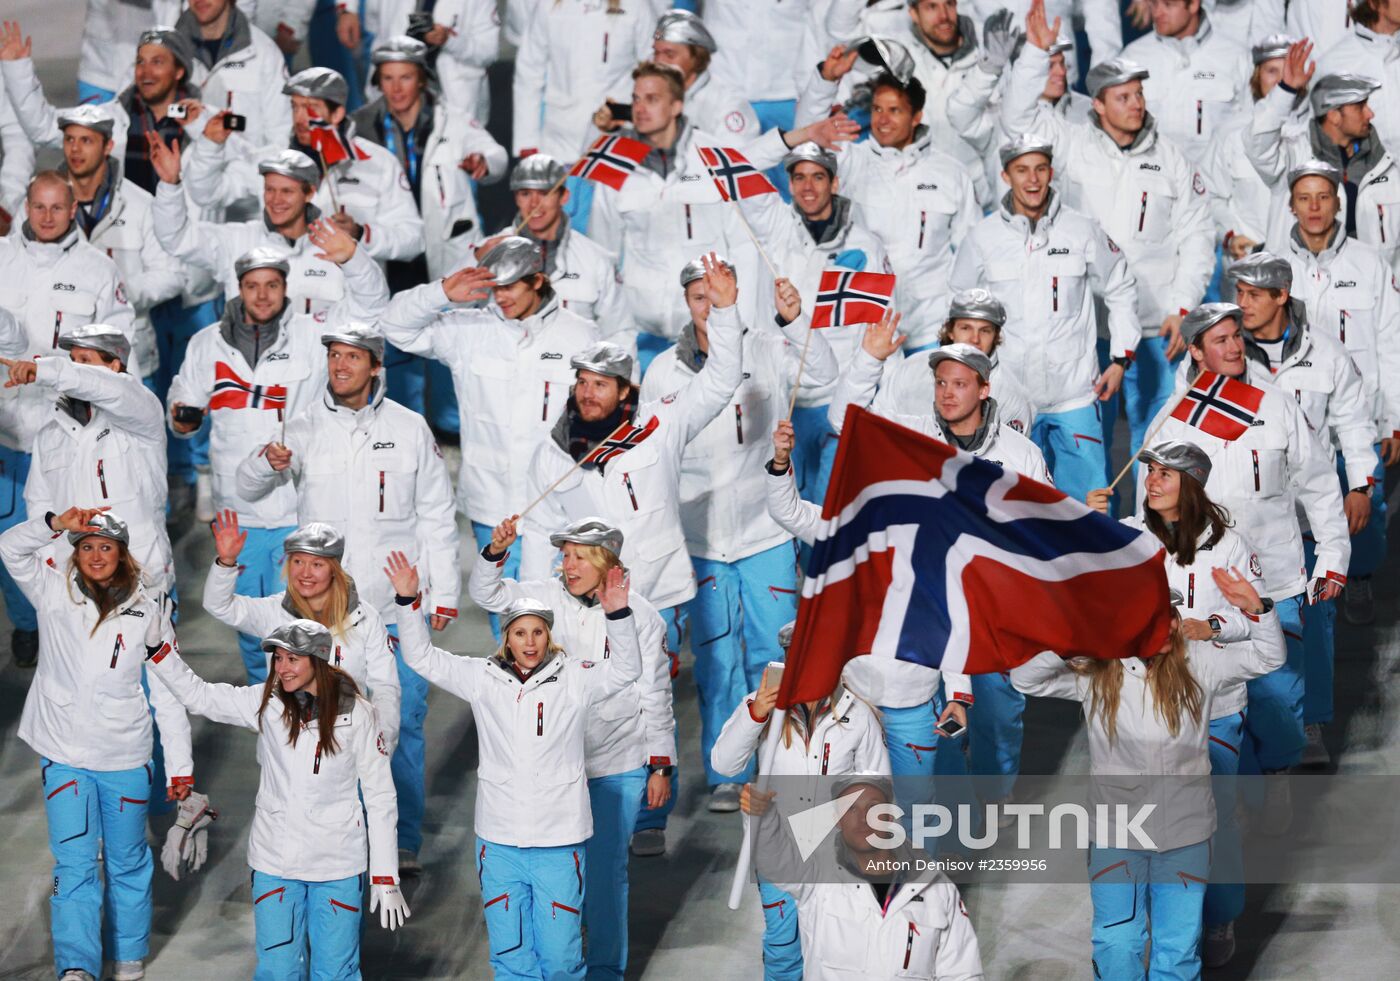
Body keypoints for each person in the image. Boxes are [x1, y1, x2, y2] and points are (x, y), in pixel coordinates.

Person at [521, 254, 746, 855]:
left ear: (626, 390)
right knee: (591, 700)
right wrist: (528, 606)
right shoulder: (553, 450)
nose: (587, 394)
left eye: (600, 384)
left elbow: (722, 380)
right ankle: (590, 805)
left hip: (655, 593)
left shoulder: (663, 422)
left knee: (652, 697)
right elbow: (540, 526)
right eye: (581, 383)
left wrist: (722, 310)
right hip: (583, 603)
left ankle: (649, 818)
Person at [234, 323, 459, 873]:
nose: (339, 365)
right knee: (313, 724)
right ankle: (330, 839)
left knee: (397, 723)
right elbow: (245, 489)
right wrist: (268, 462)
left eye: (352, 357)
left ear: (375, 366)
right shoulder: (300, 425)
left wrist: (444, 590)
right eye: (334, 356)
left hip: (389, 608)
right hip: (319, 616)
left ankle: (400, 840)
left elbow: (436, 514)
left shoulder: (410, 429)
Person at [1011, 577, 1285, 980]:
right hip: (1116, 836)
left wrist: (1258, 611)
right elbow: (1026, 678)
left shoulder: (1201, 663)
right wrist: (1074, 637)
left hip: (1187, 835)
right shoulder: (1099, 673)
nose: (1171, 625)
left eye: (1170, 616)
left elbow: (1268, 658)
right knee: (1117, 942)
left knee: (1176, 951)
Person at [387, 555, 641, 981]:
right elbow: (422, 658)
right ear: (506, 637)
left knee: (562, 960)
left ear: (548, 636)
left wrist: (617, 614)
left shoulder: (577, 678)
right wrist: (407, 601)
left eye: (538, 632)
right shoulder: (481, 677)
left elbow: (628, 669)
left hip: (559, 843)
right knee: (511, 958)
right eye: (520, 632)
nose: (530, 641)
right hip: (499, 842)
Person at [641, 258, 835, 811]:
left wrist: (796, 321)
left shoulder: (767, 349)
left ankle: (782, 766)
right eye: (697, 297)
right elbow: (653, 455)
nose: (707, 305)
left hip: (765, 534)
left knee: (774, 657)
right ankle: (729, 771)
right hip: (699, 541)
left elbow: (821, 376)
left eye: (715, 294)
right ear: (686, 302)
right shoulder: (663, 373)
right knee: (717, 661)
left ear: (732, 294)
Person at [830, 329, 1049, 798]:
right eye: (940, 384)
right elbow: (842, 420)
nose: (947, 394)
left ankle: (991, 805)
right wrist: (869, 359)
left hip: (990, 611)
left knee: (996, 714)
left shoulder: (1020, 454)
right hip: (926, 608)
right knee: (939, 718)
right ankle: (948, 811)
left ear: (984, 389)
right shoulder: (910, 436)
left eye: (960, 384)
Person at [1137, 302, 1350, 784]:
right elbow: (1149, 515)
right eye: (1220, 341)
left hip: (1276, 579)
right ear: (1194, 351)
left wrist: (1334, 556)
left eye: (1237, 336)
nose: (1235, 347)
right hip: (1204, 593)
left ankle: (1276, 782)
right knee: (1215, 708)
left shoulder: (1275, 405)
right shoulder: (1170, 424)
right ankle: (1229, 807)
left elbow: (1318, 483)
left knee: (1279, 698)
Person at [1003, 0, 1216, 460]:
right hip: (1087, 328)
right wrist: (1036, 57)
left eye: (1139, 94)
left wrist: (1183, 306)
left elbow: (1198, 236)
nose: (1136, 103)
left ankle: (1152, 531)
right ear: (1097, 105)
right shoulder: (1071, 144)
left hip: (1160, 324)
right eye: (1124, 96)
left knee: (1159, 442)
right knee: (1090, 449)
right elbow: (1016, 121)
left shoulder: (1174, 159)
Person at [469, 516, 675, 981]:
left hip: (614, 764)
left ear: (605, 559)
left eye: (579, 555)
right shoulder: (542, 598)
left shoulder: (640, 615)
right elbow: (487, 595)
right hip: (550, 775)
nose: (568, 565)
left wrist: (661, 763)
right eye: (564, 555)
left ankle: (604, 971)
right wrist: (494, 552)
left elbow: (655, 693)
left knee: (605, 879)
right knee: (555, 885)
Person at [146, 618, 408, 980]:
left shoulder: (357, 714)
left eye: (292, 659)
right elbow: (200, 696)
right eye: (277, 658)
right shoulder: (265, 702)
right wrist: (158, 653)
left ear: (317, 659)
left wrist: (384, 875)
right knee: (277, 971)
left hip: (336, 866)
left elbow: (380, 797)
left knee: (336, 973)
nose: (282, 668)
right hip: (274, 863)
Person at [1088, 439, 1267, 966]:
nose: (1152, 482)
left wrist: (1208, 627)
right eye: (1150, 473)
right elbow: (1092, 593)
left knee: (1212, 821)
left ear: (1190, 483)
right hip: (1141, 698)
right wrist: (1087, 525)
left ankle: (1219, 917)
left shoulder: (1231, 545)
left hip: (1213, 701)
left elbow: (1252, 617)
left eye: (1165, 474)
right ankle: (1138, 927)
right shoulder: (1129, 534)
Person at [0, 506, 195, 981]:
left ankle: (129, 957)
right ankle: (77, 967)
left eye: (105, 546)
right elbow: (9, 547)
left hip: (124, 757)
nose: (95, 555)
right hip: (64, 754)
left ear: (122, 554)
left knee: (128, 862)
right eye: (86, 546)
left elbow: (169, 694)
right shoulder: (51, 590)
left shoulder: (151, 612)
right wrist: (52, 524)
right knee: (75, 865)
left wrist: (180, 768)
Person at [589, 60, 856, 367]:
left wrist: (806, 133)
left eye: (652, 99)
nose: (640, 108)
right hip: (642, 335)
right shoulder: (616, 168)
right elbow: (603, 252)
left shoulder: (708, 156)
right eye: (636, 99)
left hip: (709, 331)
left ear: (676, 105)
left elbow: (748, 163)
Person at [377, 237, 600, 602]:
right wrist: (442, 292)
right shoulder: (468, 330)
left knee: (558, 618)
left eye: (510, 287)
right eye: (495, 289)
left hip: (558, 506)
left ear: (538, 281)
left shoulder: (581, 335)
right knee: (502, 616)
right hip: (490, 504)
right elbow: (394, 326)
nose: (501, 297)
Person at [1226, 252, 1377, 768]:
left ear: (1281, 295)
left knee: (1313, 622)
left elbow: (1353, 423)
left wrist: (1361, 484)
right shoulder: (1224, 355)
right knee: (1242, 618)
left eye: (1252, 295)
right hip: (1244, 519)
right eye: (1238, 293)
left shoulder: (1327, 354)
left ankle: (1308, 723)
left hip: (1308, 516)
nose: (1241, 304)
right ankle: (1243, 721)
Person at [165, 248, 334, 682]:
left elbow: (328, 408)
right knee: (247, 620)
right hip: (237, 512)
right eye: (253, 286)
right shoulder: (206, 344)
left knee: (305, 616)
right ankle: (268, 700)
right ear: (239, 289)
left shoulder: (313, 339)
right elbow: (183, 402)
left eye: (272, 285)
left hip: (298, 504)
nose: (262, 295)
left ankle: (309, 701)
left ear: (285, 288)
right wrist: (183, 417)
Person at [949, 133, 1140, 502]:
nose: (1032, 180)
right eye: (1022, 170)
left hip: (1075, 395)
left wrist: (1121, 357)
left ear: (1051, 172)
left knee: (1091, 507)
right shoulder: (983, 237)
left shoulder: (1081, 228)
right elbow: (956, 302)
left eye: (1040, 169)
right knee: (1014, 508)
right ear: (1006, 176)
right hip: (1008, 396)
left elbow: (1120, 282)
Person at [0, 171, 134, 668]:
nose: (49, 217)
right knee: (14, 540)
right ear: (26, 207)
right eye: (39, 207)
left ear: (73, 207)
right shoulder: (1, 258)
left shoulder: (98, 268)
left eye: (58, 207)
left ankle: (78, 631)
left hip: (71, 434)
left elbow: (120, 354)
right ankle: (30, 622)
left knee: (73, 537)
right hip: (9, 433)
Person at [712, 638, 891, 981]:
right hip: (777, 846)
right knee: (783, 946)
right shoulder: (761, 706)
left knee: (834, 949)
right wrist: (755, 716)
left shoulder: (858, 715)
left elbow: (879, 790)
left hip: (835, 854)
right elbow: (725, 764)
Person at [780, 63, 982, 349]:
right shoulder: (851, 160)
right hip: (865, 325)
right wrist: (826, 79)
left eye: (894, 110)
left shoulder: (952, 174)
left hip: (931, 327)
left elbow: (971, 253)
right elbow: (808, 133)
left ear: (916, 117)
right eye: (876, 109)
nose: (882, 120)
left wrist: (958, 316)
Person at [734, 140, 891, 502]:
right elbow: (742, 168)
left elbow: (882, 325)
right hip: (785, 397)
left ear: (834, 183)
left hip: (842, 398)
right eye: (799, 177)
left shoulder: (865, 245)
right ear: (788, 185)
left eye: (818, 177)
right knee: (787, 503)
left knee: (830, 509)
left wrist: (871, 397)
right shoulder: (775, 232)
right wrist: (795, 135)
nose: (808, 187)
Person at [1284, 158, 1400, 626]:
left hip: (1360, 414)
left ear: (1338, 202)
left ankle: (1361, 577)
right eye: (1304, 198)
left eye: (1323, 197)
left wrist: (1393, 414)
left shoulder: (1369, 263)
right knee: (1297, 512)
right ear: (1291, 205)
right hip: (1298, 419)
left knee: (1365, 511)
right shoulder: (1276, 268)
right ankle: (1303, 584)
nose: (1314, 208)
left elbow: (1392, 340)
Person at [747, 775, 986, 979]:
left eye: (874, 808)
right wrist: (764, 818)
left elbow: (962, 971)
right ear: (838, 820)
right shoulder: (816, 877)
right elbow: (777, 861)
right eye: (851, 808)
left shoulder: (935, 887)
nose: (863, 819)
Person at [183, 67, 426, 265]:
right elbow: (207, 194)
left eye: (310, 108)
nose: (301, 118)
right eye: (295, 107)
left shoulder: (378, 163)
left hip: (351, 307)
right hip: (283, 303)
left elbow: (414, 240)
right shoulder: (271, 160)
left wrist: (362, 233)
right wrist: (210, 146)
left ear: (337, 113)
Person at [204, 516, 401, 757]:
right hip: (286, 755)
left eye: (317, 564)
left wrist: (382, 745)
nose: (305, 573)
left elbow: (385, 687)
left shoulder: (366, 618)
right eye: (298, 561)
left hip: (347, 751)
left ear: (334, 569)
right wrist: (226, 563)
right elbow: (220, 606)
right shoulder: (273, 612)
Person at [2, 325, 173, 597]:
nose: (76, 371)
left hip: (141, 583)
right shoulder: (49, 434)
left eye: (86, 362)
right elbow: (40, 505)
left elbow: (112, 390)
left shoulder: (142, 414)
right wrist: (53, 566)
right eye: (73, 362)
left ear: (115, 366)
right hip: (74, 587)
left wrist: (47, 371)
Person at [149, 141, 392, 324]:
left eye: (287, 191)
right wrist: (170, 185)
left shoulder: (337, 246)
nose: (276, 200)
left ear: (309, 193)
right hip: (252, 380)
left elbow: (374, 307)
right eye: (270, 190)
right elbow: (176, 238)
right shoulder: (237, 240)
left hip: (315, 382)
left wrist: (353, 259)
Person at [1244, 44, 1400, 270]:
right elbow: (1256, 141)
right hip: (1297, 295)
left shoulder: (1390, 166)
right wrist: (1286, 90)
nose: (1370, 113)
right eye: (1360, 106)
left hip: (1370, 297)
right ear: (1334, 115)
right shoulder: (1292, 157)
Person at [1, 22, 199, 196]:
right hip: (128, 234)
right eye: (140, 62)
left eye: (157, 62)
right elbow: (43, 128)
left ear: (179, 71)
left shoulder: (206, 125)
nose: (146, 72)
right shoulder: (111, 120)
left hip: (186, 235)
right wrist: (17, 70)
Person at [492, 154, 632, 335]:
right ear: (516, 198)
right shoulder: (489, 253)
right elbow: (450, 308)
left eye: (544, 193)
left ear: (564, 196)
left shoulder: (596, 259)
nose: (534, 204)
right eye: (525, 193)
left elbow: (619, 333)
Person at [871, 288, 1036, 439]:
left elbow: (1010, 463)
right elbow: (876, 421)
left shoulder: (1013, 397)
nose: (975, 339)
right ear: (950, 330)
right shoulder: (911, 368)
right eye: (966, 328)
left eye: (985, 331)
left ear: (996, 335)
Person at [1200, 33, 1299, 268]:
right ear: (1256, 76)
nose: (1280, 82)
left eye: (1287, 72)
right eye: (1271, 71)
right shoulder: (1230, 132)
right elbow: (1209, 196)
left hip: (1306, 269)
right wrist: (1230, 235)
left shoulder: (1316, 132)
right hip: (1247, 265)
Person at [1119, 0, 1252, 168]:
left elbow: (1251, 129)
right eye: (1153, 3)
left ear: (1193, 5)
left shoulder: (1236, 57)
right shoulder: (1133, 57)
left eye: (1168, 5)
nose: (1157, 12)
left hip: (1216, 186)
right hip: (1152, 181)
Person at [354, 0, 501, 118]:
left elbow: (488, 52)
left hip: (455, 107)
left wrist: (449, 41)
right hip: (390, 108)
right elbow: (373, 25)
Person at [649, 10, 760, 146]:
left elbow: (737, 162)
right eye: (656, 53)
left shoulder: (727, 103)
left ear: (696, 58)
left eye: (669, 54)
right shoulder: (645, 93)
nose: (659, 61)